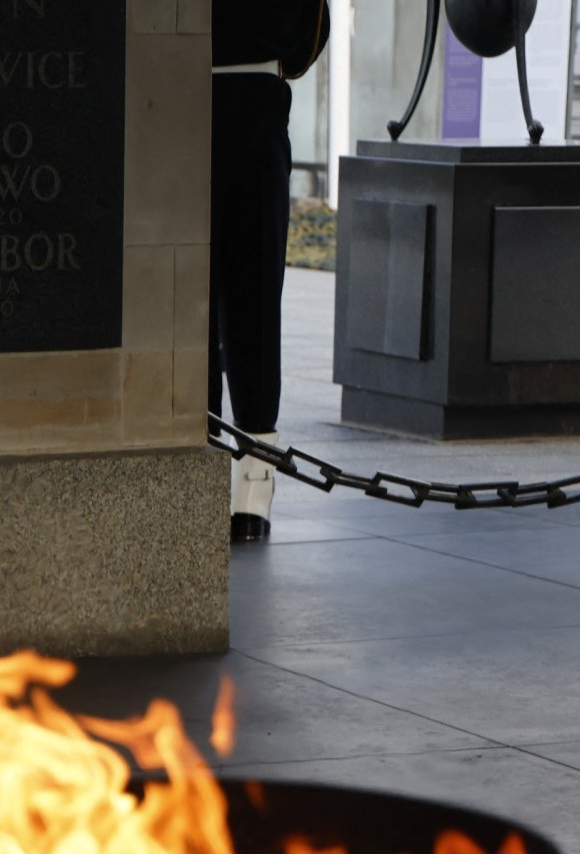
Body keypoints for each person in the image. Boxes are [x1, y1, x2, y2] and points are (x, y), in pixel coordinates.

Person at [211, 0, 329, 542]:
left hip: (241, 100)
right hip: (237, 100)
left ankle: (244, 474)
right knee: (238, 302)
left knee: (241, 301)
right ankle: (246, 486)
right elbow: (305, 36)